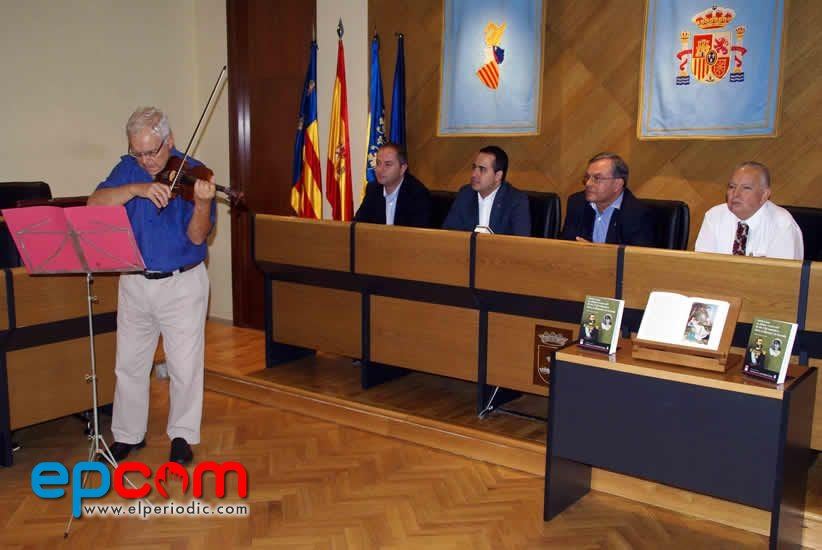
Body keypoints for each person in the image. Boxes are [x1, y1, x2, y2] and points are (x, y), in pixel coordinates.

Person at [87, 107, 216, 465]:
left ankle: (182, 436)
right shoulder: (128, 169)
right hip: (134, 281)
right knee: (129, 364)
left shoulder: (195, 173)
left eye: (152, 152)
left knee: (184, 366)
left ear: (169, 141)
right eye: (138, 152)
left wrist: (202, 205)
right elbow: (94, 203)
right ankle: (128, 435)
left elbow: (197, 236)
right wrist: (136, 189)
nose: (146, 160)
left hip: (181, 283)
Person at [694, 161, 803, 259]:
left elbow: (783, 273)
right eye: (732, 187)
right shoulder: (714, 216)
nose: (735, 194)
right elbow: (702, 266)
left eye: (746, 188)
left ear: (764, 195)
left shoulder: (783, 224)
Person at [560, 152, 655, 246]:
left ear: (617, 184)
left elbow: (636, 255)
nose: (588, 183)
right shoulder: (577, 203)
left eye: (597, 178)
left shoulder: (637, 214)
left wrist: (593, 252)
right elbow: (565, 246)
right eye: (587, 177)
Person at [442, 146, 530, 236]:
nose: (474, 174)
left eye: (482, 169)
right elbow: (448, 233)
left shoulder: (516, 200)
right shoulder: (465, 194)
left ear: (498, 176)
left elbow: (521, 241)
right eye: (474, 167)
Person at [354, 143, 432, 227]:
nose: (380, 169)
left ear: (402, 169)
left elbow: (417, 232)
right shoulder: (373, 189)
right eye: (378, 163)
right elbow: (357, 225)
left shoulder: (417, 194)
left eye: (388, 164)